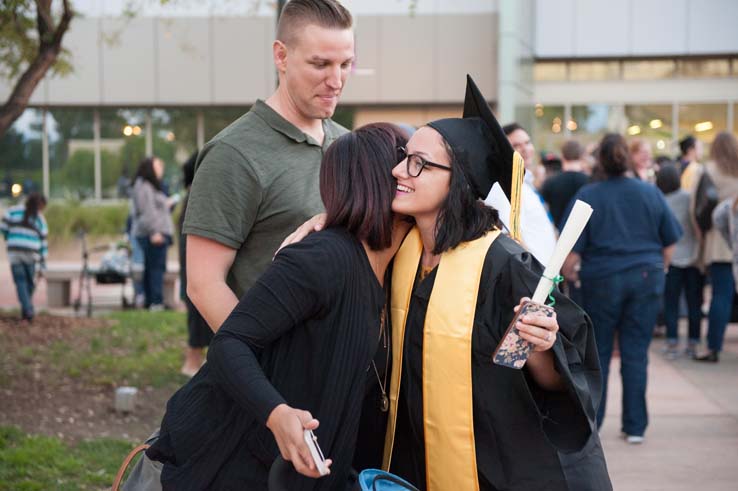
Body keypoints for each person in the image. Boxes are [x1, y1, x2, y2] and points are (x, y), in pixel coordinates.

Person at [144, 124, 410, 490]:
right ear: (382, 179)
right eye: (410, 163)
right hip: (226, 462)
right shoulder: (322, 257)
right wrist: (276, 412)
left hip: (301, 470)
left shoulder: (397, 268)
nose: (415, 173)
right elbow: (229, 343)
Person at [383, 76, 611, 490]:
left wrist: (541, 346)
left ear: (459, 180)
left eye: (419, 162)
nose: (400, 169)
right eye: (404, 156)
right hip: (418, 460)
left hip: (496, 466)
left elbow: (555, 383)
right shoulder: (404, 249)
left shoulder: (505, 263)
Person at [183, 0, 354, 333]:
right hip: (275, 371)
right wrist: (259, 364)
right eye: (320, 64)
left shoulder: (350, 146)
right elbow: (203, 284)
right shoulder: (232, 153)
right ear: (281, 56)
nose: (336, 80)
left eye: (346, 64)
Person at [562, 133, 682, 444]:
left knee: (598, 354)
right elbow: (670, 240)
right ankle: (635, 426)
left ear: (599, 160)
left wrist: (569, 275)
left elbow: (570, 251)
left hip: (601, 279)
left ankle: (593, 426)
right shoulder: (649, 193)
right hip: (646, 276)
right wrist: (662, 267)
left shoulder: (588, 194)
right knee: (635, 352)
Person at [484, 122, 557, 266]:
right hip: (534, 280)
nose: (525, 149)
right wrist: (534, 273)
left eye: (527, 143)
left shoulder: (525, 184)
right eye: (516, 146)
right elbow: (511, 239)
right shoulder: (504, 188)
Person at [694, 131, 738, 363]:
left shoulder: (708, 170)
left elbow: (698, 208)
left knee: (720, 296)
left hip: (719, 241)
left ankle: (713, 347)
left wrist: (702, 240)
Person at [656, 163, 702, 358]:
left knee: (672, 303)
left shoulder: (659, 200)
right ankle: (693, 342)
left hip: (670, 260)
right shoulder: (689, 197)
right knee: (694, 303)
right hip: (693, 257)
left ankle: (672, 341)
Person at [177, 152, 213, 377]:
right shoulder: (197, 198)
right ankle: (191, 363)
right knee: (198, 315)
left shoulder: (194, 197)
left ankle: (196, 363)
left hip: (197, 269)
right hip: (198, 271)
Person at [131, 156, 174, 310]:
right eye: (158, 166)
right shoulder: (144, 186)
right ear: (149, 168)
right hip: (153, 234)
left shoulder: (151, 186)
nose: (161, 168)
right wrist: (155, 232)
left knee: (152, 267)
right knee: (156, 268)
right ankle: (156, 301)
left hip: (155, 232)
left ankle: (152, 301)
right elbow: (147, 212)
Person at [1, 192, 48, 322]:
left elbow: (3, 228)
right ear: (40, 205)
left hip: (14, 252)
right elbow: (43, 242)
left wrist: (9, 238)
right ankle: (28, 310)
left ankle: (26, 311)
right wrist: (43, 264)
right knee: (29, 283)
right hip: (32, 254)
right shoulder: (39, 219)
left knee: (21, 282)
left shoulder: (12, 212)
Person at [541, 139, 590, 230]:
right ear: (581, 156)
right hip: (585, 235)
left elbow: (543, 211)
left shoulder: (550, 182)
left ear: (562, 156)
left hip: (558, 234)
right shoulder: (591, 182)